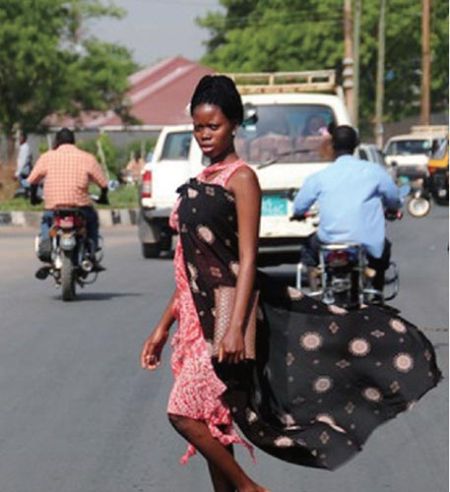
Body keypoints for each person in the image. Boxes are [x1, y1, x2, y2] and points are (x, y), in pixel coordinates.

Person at [141, 76, 440, 489]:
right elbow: (191, 264)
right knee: (214, 420)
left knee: (183, 414)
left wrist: (231, 328)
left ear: (234, 125)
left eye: (214, 126)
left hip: (227, 316)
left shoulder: (241, 178)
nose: (205, 135)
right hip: (195, 320)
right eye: (198, 127)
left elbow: (246, 259)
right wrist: (163, 325)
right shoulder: (201, 181)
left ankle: (249, 488)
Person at [293, 125, 401, 292]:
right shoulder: (374, 172)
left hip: (328, 241)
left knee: (309, 250)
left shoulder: (320, 177)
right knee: (383, 250)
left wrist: (298, 214)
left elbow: (299, 207)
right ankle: (377, 292)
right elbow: (393, 198)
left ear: (332, 146)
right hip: (367, 241)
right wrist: (393, 209)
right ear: (356, 144)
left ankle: (315, 290)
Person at [27, 128, 109, 278]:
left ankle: (46, 244)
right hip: (80, 207)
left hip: (54, 207)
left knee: (47, 221)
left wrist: (33, 197)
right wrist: (104, 197)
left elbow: (32, 181)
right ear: (73, 141)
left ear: (57, 142)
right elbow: (103, 184)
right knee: (92, 221)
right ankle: (92, 251)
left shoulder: (47, 157)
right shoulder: (86, 157)